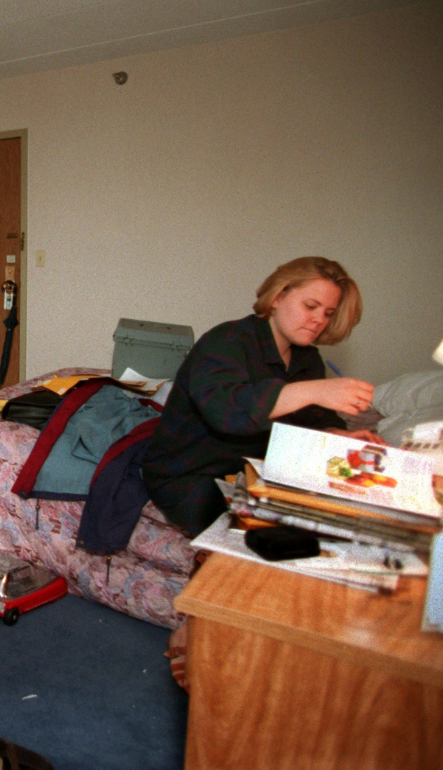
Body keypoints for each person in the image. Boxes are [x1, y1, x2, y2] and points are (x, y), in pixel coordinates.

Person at [140, 256, 379, 690]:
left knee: (327, 512)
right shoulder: (227, 342)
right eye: (310, 306)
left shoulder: (307, 360)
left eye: (327, 313)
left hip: (254, 467)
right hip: (190, 469)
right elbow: (229, 413)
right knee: (244, 518)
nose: (318, 321)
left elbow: (309, 425)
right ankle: (196, 625)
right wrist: (319, 390)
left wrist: (349, 439)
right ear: (278, 295)